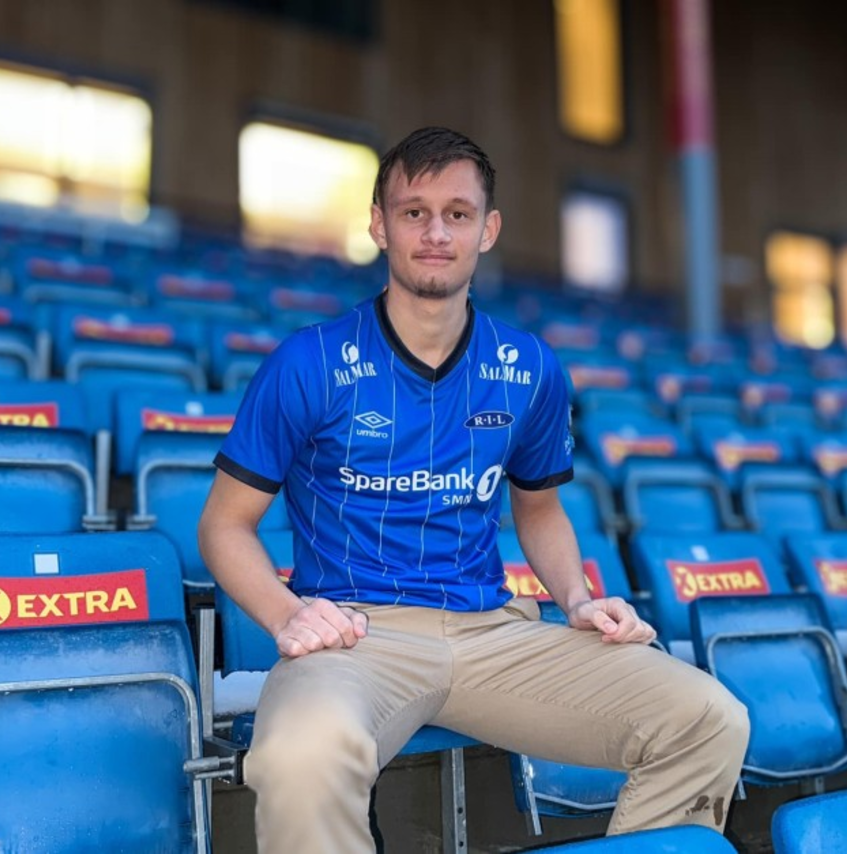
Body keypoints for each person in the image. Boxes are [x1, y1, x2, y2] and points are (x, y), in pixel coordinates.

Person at [198, 126, 750, 854]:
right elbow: (223, 527)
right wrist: (289, 616)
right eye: (414, 212)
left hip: (493, 631)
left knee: (709, 718)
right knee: (299, 758)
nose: (436, 233)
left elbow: (540, 511)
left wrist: (578, 600)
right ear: (379, 225)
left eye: (457, 214)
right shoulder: (310, 361)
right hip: (358, 635)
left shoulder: (529, 367)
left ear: (487, 230)